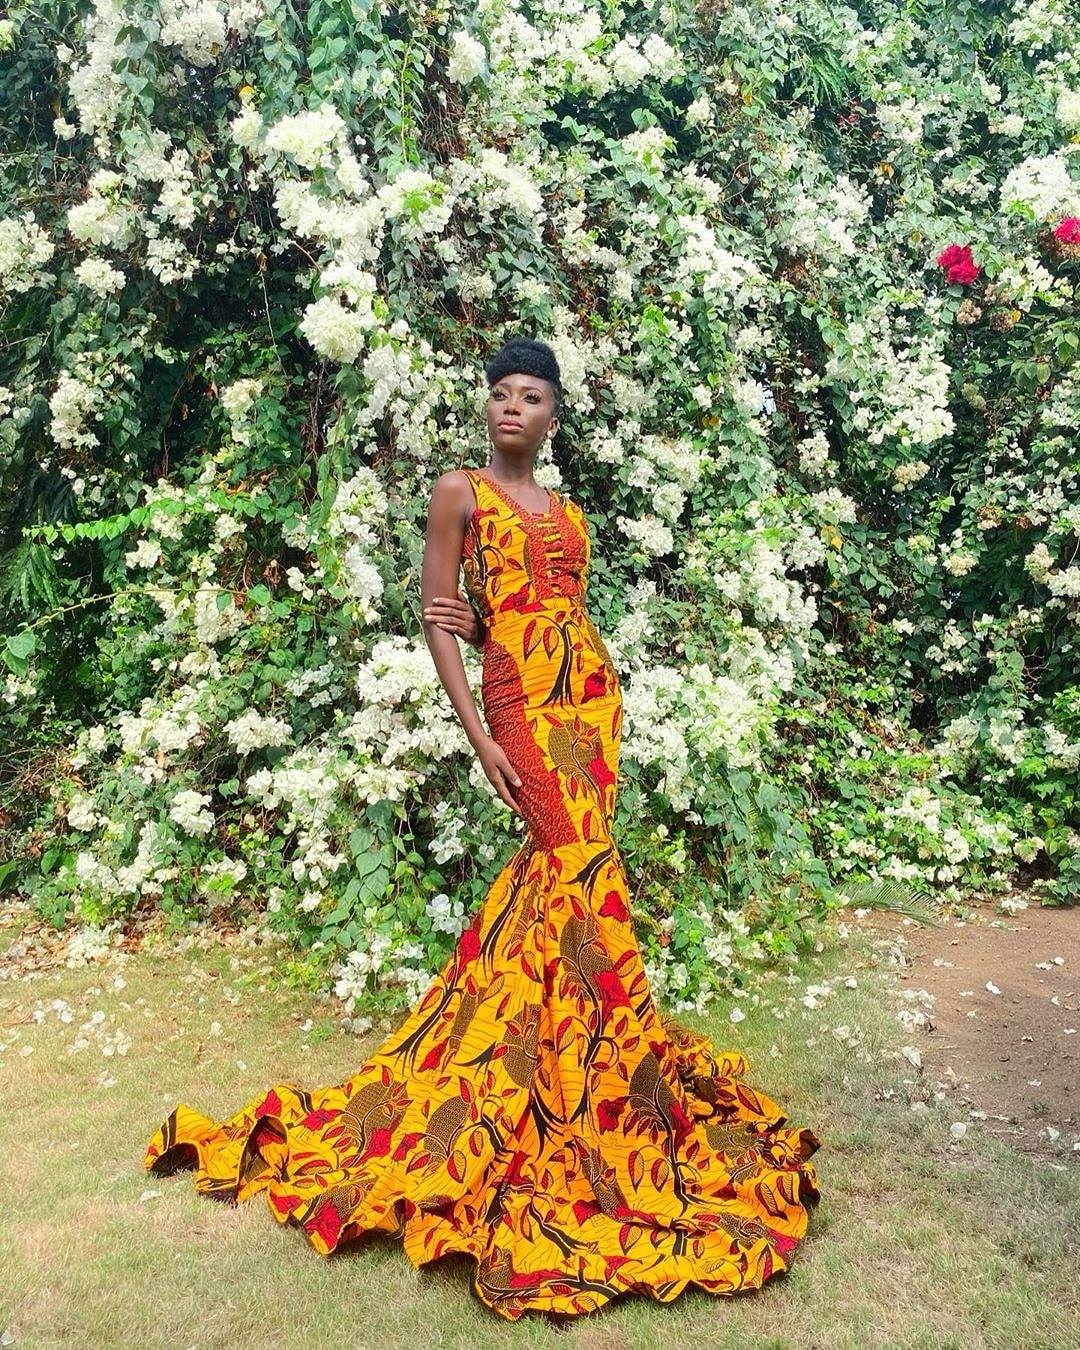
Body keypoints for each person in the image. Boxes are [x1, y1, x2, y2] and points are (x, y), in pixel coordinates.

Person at [144, 336, 821, 1322]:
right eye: (500, 393)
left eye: (530, 396)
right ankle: (594, 1072)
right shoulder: (458, 491)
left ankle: (568, 1063)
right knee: (578, 870)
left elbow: (563, 611)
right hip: (519, 706)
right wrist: (481, 736)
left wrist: (537, 652)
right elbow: (439, 616)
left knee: (566, 882)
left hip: (591, 703)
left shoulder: (572, 514)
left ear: (554, 416)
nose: (511, 407)